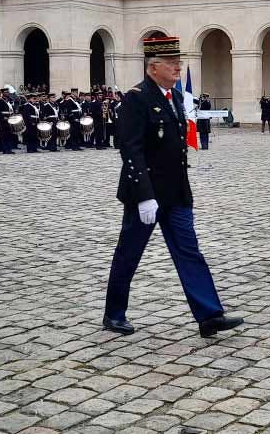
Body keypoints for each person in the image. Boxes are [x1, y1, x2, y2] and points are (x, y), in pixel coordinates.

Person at [104, 35, 243, 338]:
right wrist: (144, 197)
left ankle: (209, 315)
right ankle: (114, 314)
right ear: (153, 67)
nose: (178, 67)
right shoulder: (136, 98)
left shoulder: (176, 97)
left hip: (177, 193)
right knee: (129, 253)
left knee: (189, 251)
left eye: (179, 63)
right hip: (147, 195)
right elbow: (131, 149)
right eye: (172, 63)